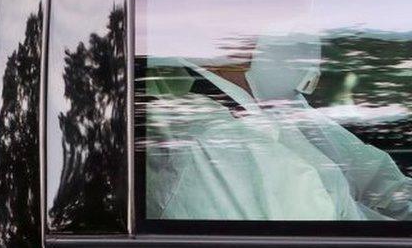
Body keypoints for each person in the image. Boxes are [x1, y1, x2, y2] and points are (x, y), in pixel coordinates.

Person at [144, 32, 412, 221]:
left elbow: (380, 183)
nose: (309, 35)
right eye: (286, 16)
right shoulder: (212, 144)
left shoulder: (279, 108)